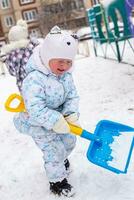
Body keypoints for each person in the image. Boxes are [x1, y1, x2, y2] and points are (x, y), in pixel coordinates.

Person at [13, 26, 79, 197]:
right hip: (38, 122)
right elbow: (35, 108)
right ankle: (57, 182)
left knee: (69, 141)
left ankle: (60, 160)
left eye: (69, 61)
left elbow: (72, 96)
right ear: (48, 56)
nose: (65, 66)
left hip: (60, 119)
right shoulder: (34, 79)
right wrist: (55, 121)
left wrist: (70, 114)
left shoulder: (66, 76)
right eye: (60, 61)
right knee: (54, 150)